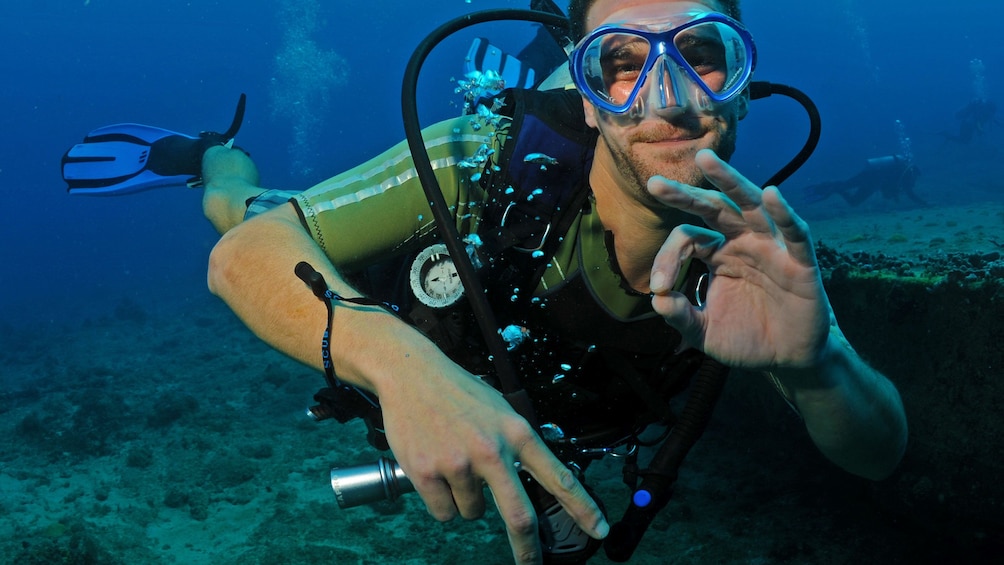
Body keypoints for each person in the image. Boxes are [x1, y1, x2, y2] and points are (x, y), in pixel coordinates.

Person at [69, 1, 909, 563]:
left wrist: (819, 363)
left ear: (745, 87)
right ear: (583, 98)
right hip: (398, 283)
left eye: (701, 57)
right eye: (618, 63)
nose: (667, 97)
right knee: (244, 205)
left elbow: (876, 453)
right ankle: (204, 152)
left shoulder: (761, 251)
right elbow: (244, 256)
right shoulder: (479, 158)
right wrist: (402, 366)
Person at [799, 154, 925, 207]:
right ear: (914, 173)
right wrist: (924, 204)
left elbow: (888, 193)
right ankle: (830, 187)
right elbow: (910, 193)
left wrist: (895, 194)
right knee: (848, 190)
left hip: (871, 176)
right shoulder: (906, 175)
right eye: (915, 177)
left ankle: (831, 188)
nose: (914, 180)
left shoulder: (902, 173)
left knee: (852, 198)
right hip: (872, 178)